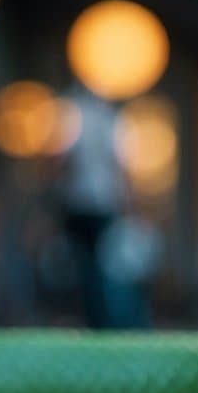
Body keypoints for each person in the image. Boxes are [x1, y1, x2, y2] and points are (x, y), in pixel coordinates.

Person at [60, 85, 134, 329]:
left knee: (87, 267)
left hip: (78, 203)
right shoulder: (112, 119)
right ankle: (106, 321)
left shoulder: (74, 113)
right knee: (102, 267)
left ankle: (95, 319)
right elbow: (122, 167)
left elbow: (63, 159)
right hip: (103, 204)